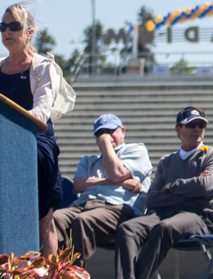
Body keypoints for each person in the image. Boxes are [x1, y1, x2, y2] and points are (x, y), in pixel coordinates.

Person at [99, 107, 213, 279]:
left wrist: (173, 187)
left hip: (199, 217)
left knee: (166, 227)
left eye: (201, 125)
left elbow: (206, 186)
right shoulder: (167, 161)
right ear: (178, 130)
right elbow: (153, 198)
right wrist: (189, 188)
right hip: (164, 214)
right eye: (191, 125)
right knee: (127, 228)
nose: (197, 129)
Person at [0, 2, 74, 255]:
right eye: (3, 27)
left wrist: (10, 132)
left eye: (14, 26)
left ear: (30, 32)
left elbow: (41, 113)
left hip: (35, 145)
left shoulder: (44, 68)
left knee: (44, 222)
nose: (7, 32)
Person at [53, 114, 152, 268]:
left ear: (123, 131)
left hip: (119, 208)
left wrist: (106, 143)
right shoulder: (88, 160)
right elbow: (78, 185)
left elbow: (117, 173)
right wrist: (121, 182)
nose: (105, 136)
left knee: (83, 220)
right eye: (101, 133)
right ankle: (57, 276)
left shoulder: (136, 150)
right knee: (56, 218)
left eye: (110, 131)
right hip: (85, 205)